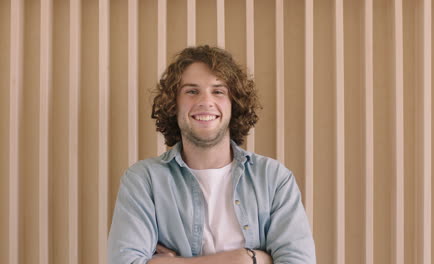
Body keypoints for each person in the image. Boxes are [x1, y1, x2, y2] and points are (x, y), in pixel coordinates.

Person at [108, 45, 316, 264]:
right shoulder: (144, 180)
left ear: (234, 104)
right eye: (191, 91)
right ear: (173, 105)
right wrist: (245, 260)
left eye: (218, 91)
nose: (205, 102)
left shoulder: (273, 178)